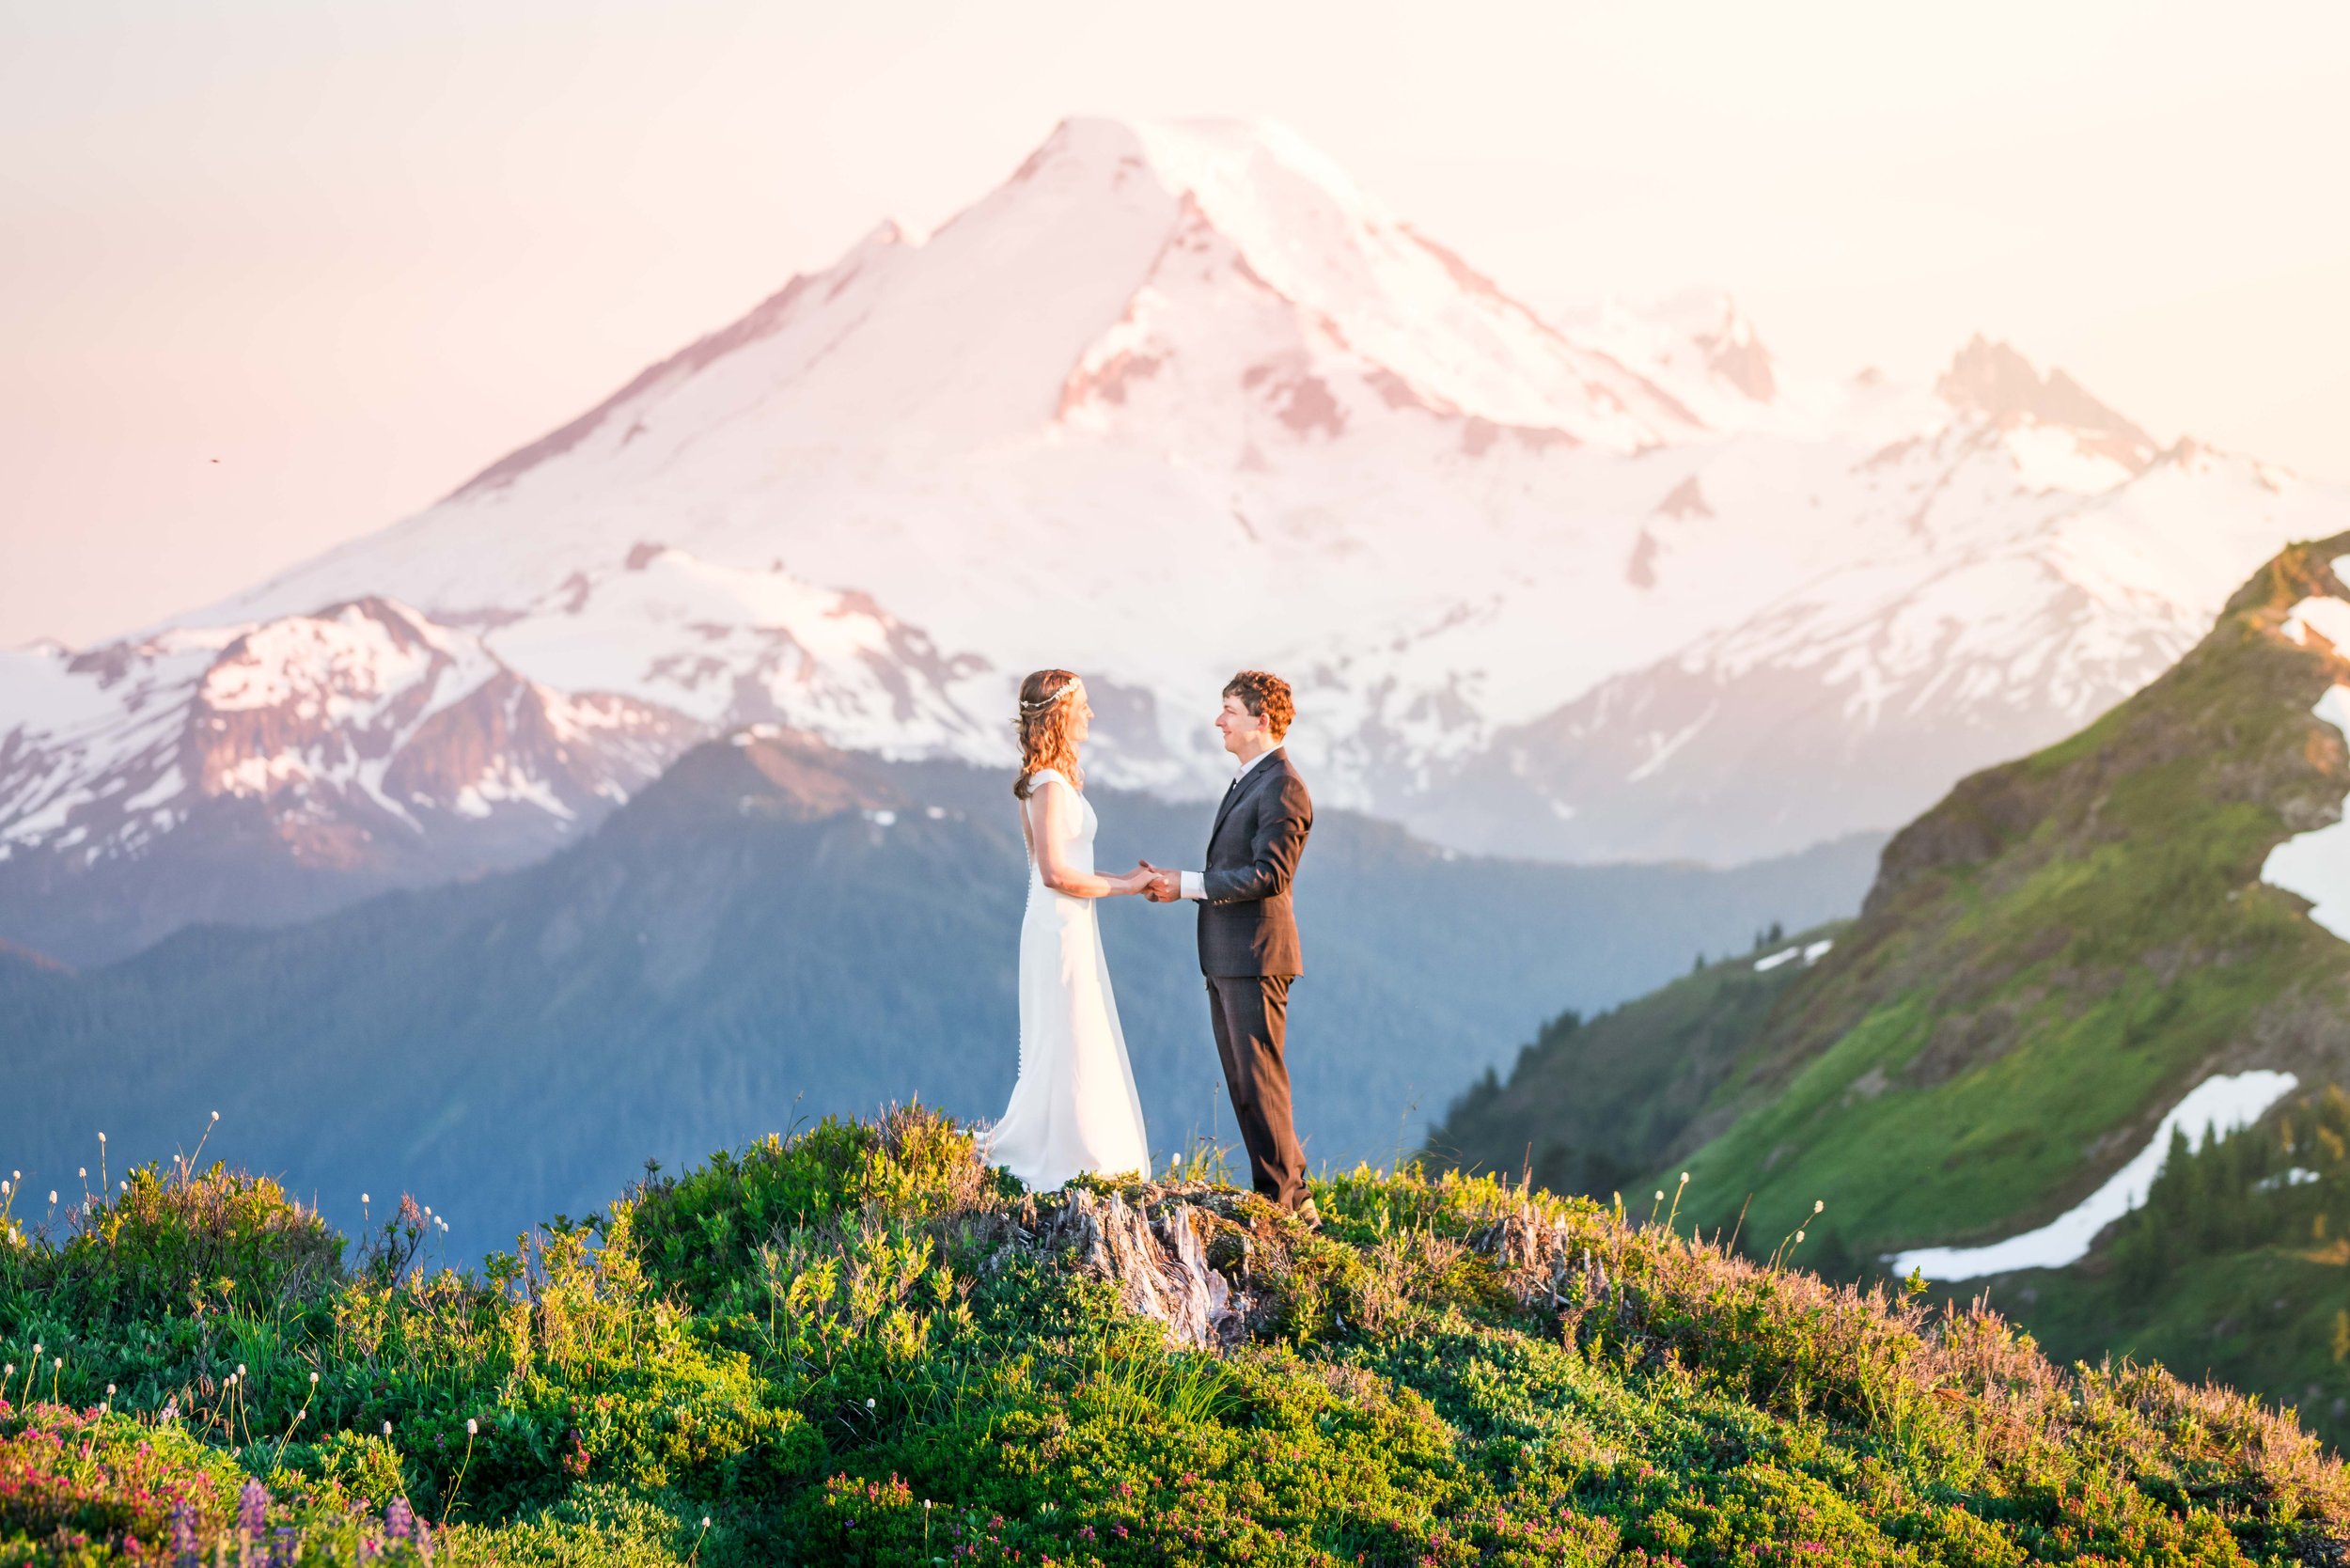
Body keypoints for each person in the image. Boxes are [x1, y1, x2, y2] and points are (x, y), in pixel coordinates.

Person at [1142, 670, 1319, 1223]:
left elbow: (1272, 874)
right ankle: (1295, 1203)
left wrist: (1189, 884)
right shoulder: (1251, 779)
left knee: (1260, 1081)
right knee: (1247, 1082)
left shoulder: (1282, 784)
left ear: (1261, 719)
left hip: (1256, 956)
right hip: (1230, 956)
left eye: (1229, 710)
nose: (1219, 720)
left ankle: (1284, 1206)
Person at [986, 668, 1154, 1189]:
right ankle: (1069, 1156)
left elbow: (1069, 868)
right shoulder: (1049, 786)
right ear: (1059, 714)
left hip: (1068, 924)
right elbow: (1057, 873)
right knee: (1069, 1033)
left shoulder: (1050, 782)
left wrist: (1124, 877)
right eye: (1082, 705)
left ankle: (1079, 1149)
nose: (1090, 714)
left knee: (1077, 1030)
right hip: (1058, 926)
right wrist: (1126, 890)